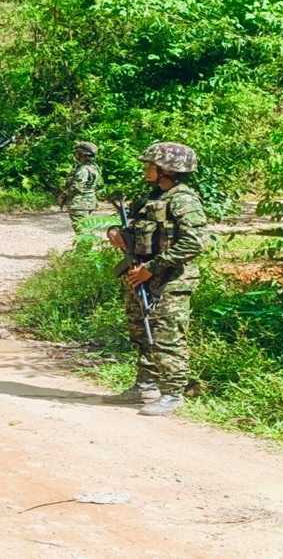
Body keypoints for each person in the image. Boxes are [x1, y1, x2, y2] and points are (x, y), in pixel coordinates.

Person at [104, 142, 208, 416]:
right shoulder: (153, 198)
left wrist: (152, 267)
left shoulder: (183, 200)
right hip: (141, 277)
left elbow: (195, 242)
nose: (146, 169)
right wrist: (114, 232)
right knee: (141, 334)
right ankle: (145, 386)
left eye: (151, 165)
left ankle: (173, 393)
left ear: (168, 169)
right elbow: (133, 227)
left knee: (166, 338)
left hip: (169, 282)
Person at [58, 141, 101, 233]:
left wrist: (64, 195)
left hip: (79, 203)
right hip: (89, 202)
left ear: (82, 154)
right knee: (87, 227)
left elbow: (77, 186)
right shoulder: (94, 167)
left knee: (81, 229)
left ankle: (86, 243)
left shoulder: (83, 169)